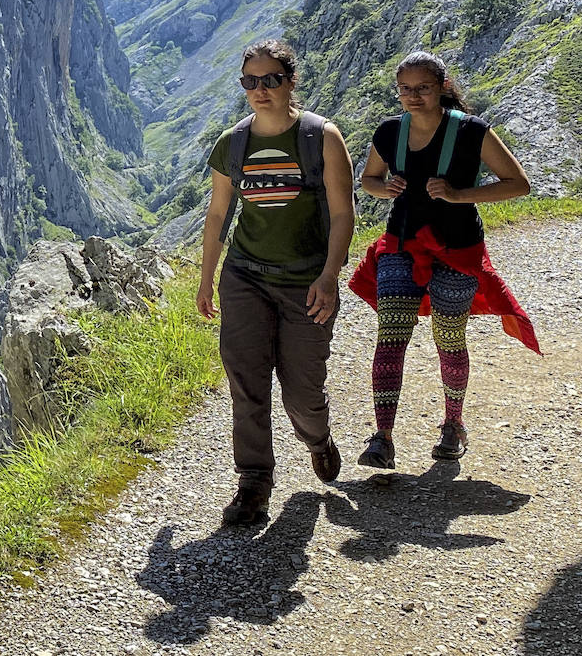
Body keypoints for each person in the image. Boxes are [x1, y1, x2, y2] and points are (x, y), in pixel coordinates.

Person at [349, 51, 540, 471]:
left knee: (449, 336)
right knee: (391, 334)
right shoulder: (389, 132)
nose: (413, 96)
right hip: (400, 245)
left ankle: (453, 425)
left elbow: (517, 184)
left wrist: (458, 195)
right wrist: (384, 189)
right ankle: (382, 438)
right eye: (405, 89)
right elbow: (368, 179)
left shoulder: (472, 132)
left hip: (456, 246)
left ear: (443, 88)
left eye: (423, 88)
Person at [196, 39, 356, 525]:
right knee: (246, 383)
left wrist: (330, 275)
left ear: (291, 82)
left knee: (302, 392)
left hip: (305, 282)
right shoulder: (233, 143)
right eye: (251, 82)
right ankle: (253, 484)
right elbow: (219, 213)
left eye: (271, 80)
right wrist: (206, 280)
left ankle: (317, 438)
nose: (260, 90)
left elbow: (344, 212)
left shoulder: (321, 138)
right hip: (245, 276)